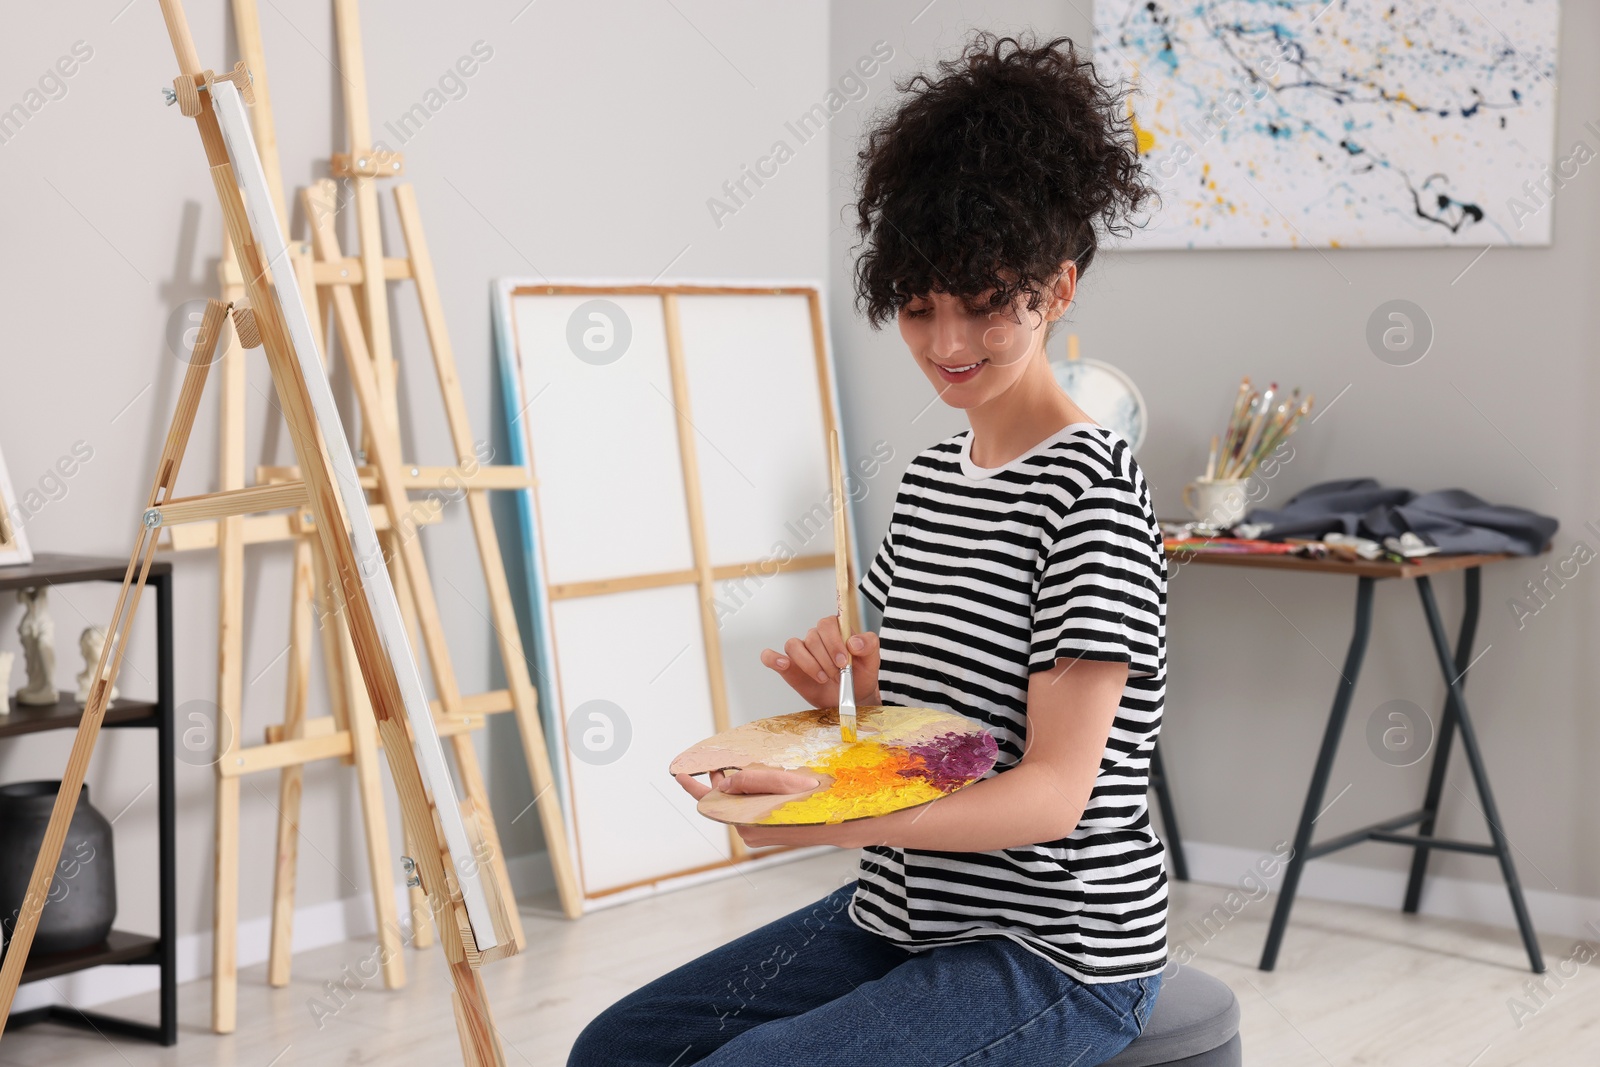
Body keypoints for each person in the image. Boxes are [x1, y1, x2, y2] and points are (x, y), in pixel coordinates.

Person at [571, 32, 1166, 1067]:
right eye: (918, 305)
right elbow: (924, 725)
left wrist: (828, 822)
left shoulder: (1091, 494)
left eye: (984, 306)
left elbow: (1054, 791)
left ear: (1055, 289)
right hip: (897, 917)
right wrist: (833, 698)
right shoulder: (935, 477)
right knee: (614, 1048)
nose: (946, 343)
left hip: (1052, 949)